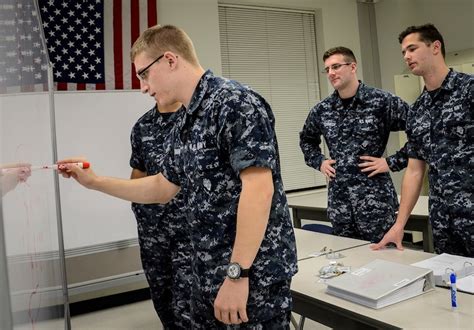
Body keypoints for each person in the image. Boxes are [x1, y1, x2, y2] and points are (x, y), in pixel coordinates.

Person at [60, 24, 297, 328]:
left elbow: (259, 190)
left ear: (170, 60)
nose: (143, 87)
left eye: (144, 74)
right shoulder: (186, 120)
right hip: (206, 273)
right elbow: (162, 187)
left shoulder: (234, 102)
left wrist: (237, 276)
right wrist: (94, 181)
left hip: (251, 278)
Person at [372, 24, 473, 257]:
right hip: (443, 221)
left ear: (435, 47)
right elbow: (415, 170)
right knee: (451, 287)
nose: (406, 56)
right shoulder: (418, 109)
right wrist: (399, 224)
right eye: (403, 52)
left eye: (412, 48)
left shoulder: (468, 91)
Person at [300, 46, 409, 243]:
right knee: (349, 261)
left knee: (384, 261)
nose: (331, 73)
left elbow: (422, 132)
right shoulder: (323, 110)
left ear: (353, 67)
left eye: (336, 66)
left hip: (375, 202)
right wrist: (320, 162)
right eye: (327, 69)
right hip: (340, 203)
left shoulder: (382, 102)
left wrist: (391, 162)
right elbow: (307, 140)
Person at [129, 98, 192, 328]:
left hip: (190, 234)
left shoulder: (194, 119)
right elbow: (138, 172)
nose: (146, 88)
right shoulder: (142, 126)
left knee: (188, 306)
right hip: (154, 234)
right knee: (162, 298)